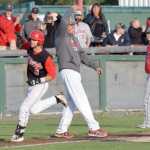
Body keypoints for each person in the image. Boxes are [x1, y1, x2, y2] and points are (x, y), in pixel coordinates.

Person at [52, 6, 108, 139]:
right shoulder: (61, 35)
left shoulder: (74, 40)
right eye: (70, 24)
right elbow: (64, 20)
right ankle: (93, 128)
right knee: (81, 98)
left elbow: (83, 56)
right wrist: (70, 9)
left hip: (75, 71)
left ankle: (61, 130)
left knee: (71, 103)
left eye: (73, 24)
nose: (72, 26)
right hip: (68, 70)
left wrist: (95, 66)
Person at [11, 30, 67, 142]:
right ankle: (57, 98)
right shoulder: (30, 48)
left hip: (40, 84)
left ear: (40, 41)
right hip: (32, 84)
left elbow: (52, 75)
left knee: (24, 108)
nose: (32, 41)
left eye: (34, 39)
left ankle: (19, 133)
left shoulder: (45, 56)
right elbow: (22, 43)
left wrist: (38, 80)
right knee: (33, 110)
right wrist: (18, 36)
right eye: (31, 39)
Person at [137, 28, 150, 128]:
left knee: (147, 99)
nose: (148, 35)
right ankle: (147, 121)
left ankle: (147, 122)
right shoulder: (148, 47)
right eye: (147, 33)